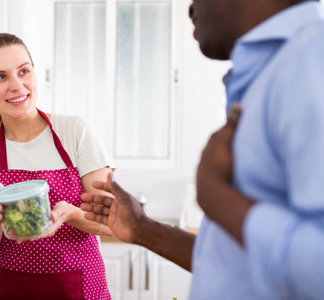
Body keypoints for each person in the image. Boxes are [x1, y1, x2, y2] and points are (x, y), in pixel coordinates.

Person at [80, 0, 324, 299]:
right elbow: (240, 264)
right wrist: (144, 229)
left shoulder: (311, 63)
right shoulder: (277, 70)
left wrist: (216, 196)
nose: (191, 9)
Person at [0, 32, 114, 300]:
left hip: (79, 287)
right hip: (6, 288)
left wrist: (70, 214)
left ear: (34, 72)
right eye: (0, 76)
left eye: (23, 71)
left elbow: (111, 223)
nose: (17, 85)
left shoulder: (74, 131)